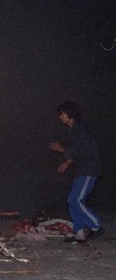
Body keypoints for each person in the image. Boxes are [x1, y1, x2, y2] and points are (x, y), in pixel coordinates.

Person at [49, 101, 104, 243]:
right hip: (81, 169)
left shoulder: (80, 129)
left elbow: (84, 150)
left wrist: (62, 149)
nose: (60, 117)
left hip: (89, 169)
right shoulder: (73, 130)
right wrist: (68, 162)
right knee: (72, 201)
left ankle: (96, 225)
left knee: (75, 200)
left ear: (70, 114)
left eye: (62, 114)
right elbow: (78, 151)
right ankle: (79, 233)